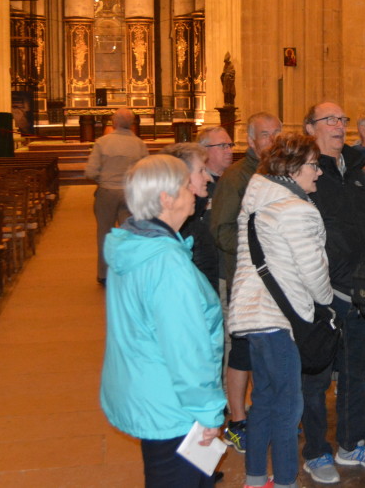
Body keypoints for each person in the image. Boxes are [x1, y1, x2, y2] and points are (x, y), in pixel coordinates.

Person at [100, 155, 225, 487]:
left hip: (147, 391)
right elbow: (186, 349)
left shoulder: (133, 244)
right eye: (187, 186)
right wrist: (209, 411)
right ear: (166, 198)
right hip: (174, 404)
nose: (196, 193)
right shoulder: (167, 262)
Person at [228, 133, 334, 488]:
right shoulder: (297, 210)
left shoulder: (257, 202)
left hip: (251, 316)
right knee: (289, 409)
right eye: (313, 165)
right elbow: (315, 273)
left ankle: (256, 478)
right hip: (278, 320)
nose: (318, 173)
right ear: (292, 168)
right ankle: (286, 481)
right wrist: (325, 301)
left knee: (263, 403)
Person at [301, 102, 365, 484]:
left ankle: (351, 443)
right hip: (322, 291)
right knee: (316, 377)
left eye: (342, 120)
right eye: (329, 120)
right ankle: (315, 452)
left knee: (355, 372)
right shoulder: (305, 172)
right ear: (310, 128)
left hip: (358, 287)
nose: (338, 125)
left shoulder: (354, 167)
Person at [210, 111, 282, 453]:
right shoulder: (237, 177)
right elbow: (222, 230)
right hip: (241, 276)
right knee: (240, 350)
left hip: (275, 278)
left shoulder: (280, 173)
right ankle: (237, 420)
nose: (273, 140)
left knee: (268, 348)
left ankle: (264, 411)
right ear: (251, 141)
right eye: (266, 135)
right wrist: (258, 252)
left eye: (277, 133)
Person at [85, 107, 149, 285]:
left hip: (106, 192)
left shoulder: (102, 142)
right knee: (130, 233)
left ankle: (104, 275)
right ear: (132, 124)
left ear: (114, 122)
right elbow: (145, 171)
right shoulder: (139, 144)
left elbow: (90, 171)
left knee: (104, 233)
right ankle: (130, 271)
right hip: (129, 193)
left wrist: (102, 179)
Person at [161, 142, 220, 293]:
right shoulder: (179, 224)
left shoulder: (193, 218)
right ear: (182, 176)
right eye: (201, 171)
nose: (207, 177)